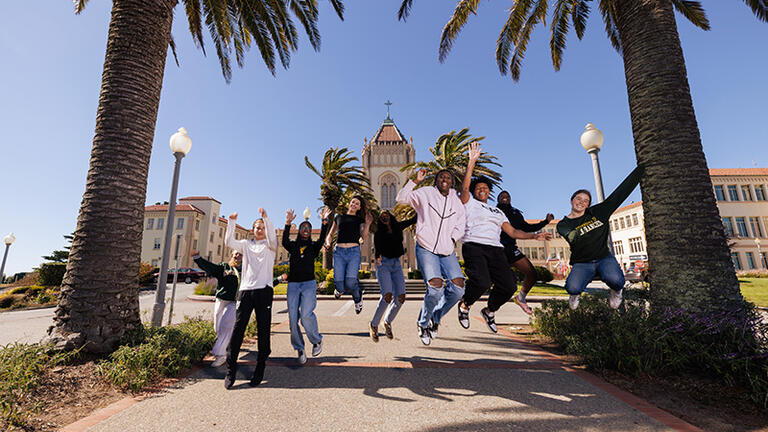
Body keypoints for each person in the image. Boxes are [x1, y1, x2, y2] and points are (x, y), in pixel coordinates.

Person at [456, 143, 551, 333]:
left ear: (489, 191)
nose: (482, 190)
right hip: (474, 246)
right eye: (479, 188)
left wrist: (534, 236)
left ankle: (489, 311)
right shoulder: (469, 203)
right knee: (482, 282)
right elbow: (465, 188)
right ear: (474, 191)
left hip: (495, 249)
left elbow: (514, 232)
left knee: (508, 286)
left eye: (485, 188)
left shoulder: (497, 211)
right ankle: (464, 305)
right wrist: (471, 162)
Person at [395, 167, 466, 346]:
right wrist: (416, 181)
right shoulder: (425, 193)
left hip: (447, 250)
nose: (445, 179)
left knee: (458, 289)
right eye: (441, 176)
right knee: (435, 289)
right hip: (426, 247)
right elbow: (401, 198)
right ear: (435, 180)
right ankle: (423, 323)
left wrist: (451, 238)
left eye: (448, 177)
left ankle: (437, 315)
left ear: (452, 182)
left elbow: (461, 222)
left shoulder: (455, 201)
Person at [557, 165, 643, 310]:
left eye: (586, 201)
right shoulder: (563, 224)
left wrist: (640, 170)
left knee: (617, 281)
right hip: (582, 262)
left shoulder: (598, 212)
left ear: (588, 205)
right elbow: (573, 237)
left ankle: (616, 292)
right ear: (572, 200)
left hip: (604, 258)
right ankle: (575, 293)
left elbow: (620, 194)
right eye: (578, 198)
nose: (581, 202)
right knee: (572, 287)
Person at [223, 208, 277, 389]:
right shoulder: (246, 244)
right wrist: (231, 222)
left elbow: (272, 236)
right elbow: (229, 241)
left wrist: (266, 218)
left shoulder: (271, 246)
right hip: (246, 291)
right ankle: (231, 371)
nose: (259, 229)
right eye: (256, 227)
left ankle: (259, 369)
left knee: (263, 330)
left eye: (261, 227)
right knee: (238, 330)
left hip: (264, 291)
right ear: (252, 230)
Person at [283, 207, 331, 364]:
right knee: (292, 318)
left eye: (308, 228)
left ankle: (316, 340)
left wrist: (324, 222)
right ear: (299, 231)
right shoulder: (292, 245)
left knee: (305, 315)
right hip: (293, 285)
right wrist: (288, 223)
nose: (305, 229)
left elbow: (323, 236)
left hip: (309, 284)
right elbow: (283, 240)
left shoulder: (313, 247)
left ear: (310, 232)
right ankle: (300, 348)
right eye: (303, 227)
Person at [496, 190, 555, 315]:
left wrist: (545, 222)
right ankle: (490, 309)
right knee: (506, 282)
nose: (505, 197)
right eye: (502, 196)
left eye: (507, 196)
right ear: (498, 199)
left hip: (511, 248)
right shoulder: (494, 212)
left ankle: (521, 297)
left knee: (532, 274)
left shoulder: (516, 213)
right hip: (496, 249)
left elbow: (527, 227)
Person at [369, 210, 417, 342]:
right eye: (382, 215)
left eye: (387, 214)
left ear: (391, 217)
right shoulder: (378, 231)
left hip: (396, 264)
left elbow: (413, 220)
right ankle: (374, 324)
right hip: (383, 263)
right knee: (387, 296)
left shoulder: (397, 226)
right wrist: (377, 256)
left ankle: (388, 321)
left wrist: (422, 206)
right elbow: (377, 244)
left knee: (401, 297)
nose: (384, 216)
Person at [191, 249, 242, 367]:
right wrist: (198, 258)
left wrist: (279, 279)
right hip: (221, 300)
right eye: (236, 253)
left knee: (226, 326)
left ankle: (221, 355)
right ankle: (226, 344)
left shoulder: (246, 270)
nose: (238, 255)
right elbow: (211, 268)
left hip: (234, 303)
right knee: (218, 327)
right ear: (231, 255)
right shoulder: (224, 267)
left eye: (240, 254)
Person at [325, 196, 373, 314]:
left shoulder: (359, 220)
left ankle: (358, 299)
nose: (354, 204)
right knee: (340, 285)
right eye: (353, 202)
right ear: (349, 203)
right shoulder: (339, 218)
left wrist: (367, 224)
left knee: (351, 283)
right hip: (339, 253)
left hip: (353, 252)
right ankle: (339, 290)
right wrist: (327, 243)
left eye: (357, 204)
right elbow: (330, 234)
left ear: (359, 207)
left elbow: (363, 236)